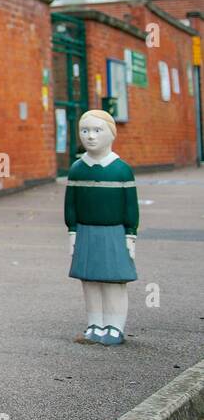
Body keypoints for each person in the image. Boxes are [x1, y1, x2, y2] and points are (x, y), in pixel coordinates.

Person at [64, 109, 137, 345]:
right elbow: (71, 205)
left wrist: (130, 235)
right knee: (90, 280)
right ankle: (95, 324)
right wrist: (72, 232)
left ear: (111, 134)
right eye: (85, 131)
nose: (91, 136)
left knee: (114, 281)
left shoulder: (121, 170)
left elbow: (130, 207)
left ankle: (115, 326)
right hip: (85, 232)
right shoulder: (77, 169)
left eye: (97, 130)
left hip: (114, 233)